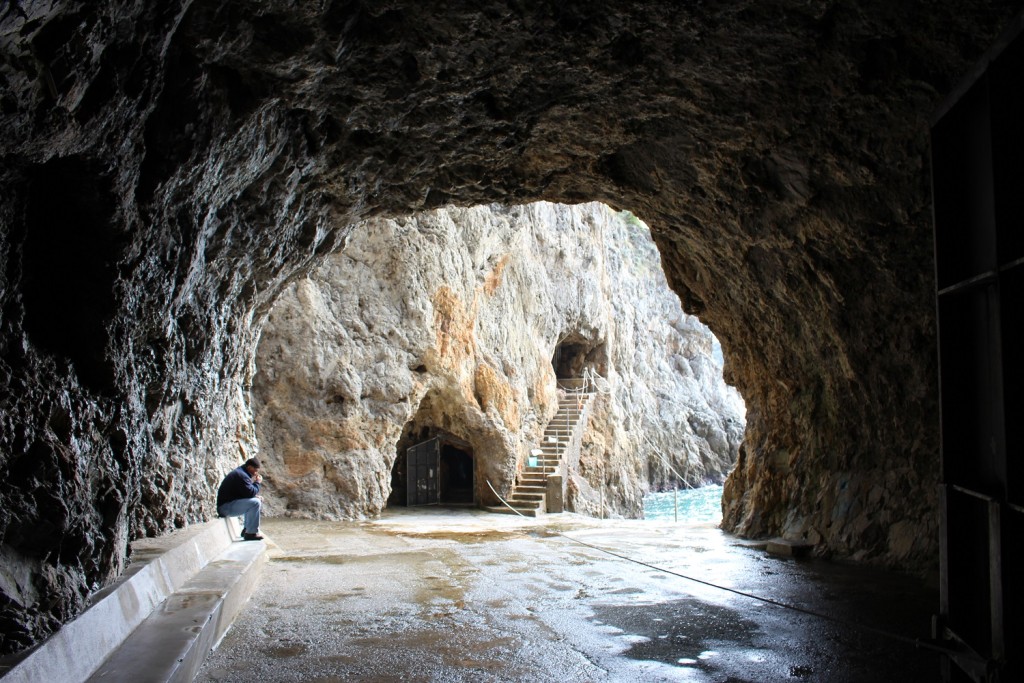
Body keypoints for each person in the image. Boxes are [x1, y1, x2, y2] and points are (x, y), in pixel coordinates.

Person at [217, 457, 264, 541]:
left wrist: (255, 496)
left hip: (228, 505)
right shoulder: (242, 475)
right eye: (255, 470)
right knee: (255, 503)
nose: (256, 473)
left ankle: (247, 530)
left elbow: (245, 493)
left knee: (256, 500)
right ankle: (251, 533)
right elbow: (250, 492)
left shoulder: (241, 473)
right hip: (225, 508)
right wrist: (257, 483)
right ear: (249, 467)